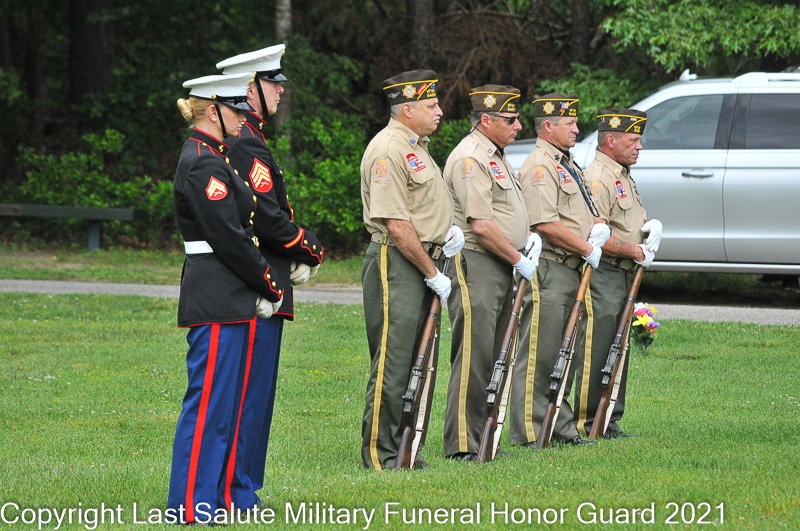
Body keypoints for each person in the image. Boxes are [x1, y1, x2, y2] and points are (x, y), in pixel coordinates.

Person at [168, 73, 284, 523]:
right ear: (213, 112)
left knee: (225, 408)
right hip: (216, 293)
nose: (243, 115)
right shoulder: (202, 163)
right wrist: (269, 283)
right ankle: (190, 506)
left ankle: (211, 499)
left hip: (227, 292)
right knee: (209, 408)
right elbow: (230, 238)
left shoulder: (215, 156)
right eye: (235, 108)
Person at [215, 44, 324, 509]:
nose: (281, 91)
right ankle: (238, 491)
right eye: (273, 84)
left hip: (262, 280)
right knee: (249, 396)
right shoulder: (245, 141)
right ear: (250, 89)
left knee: (254, 395)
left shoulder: (248, 137)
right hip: (256, 283)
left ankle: (241, 487)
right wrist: (310, 247)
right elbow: (265, 215)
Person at [360, 69, 464, 470]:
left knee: (418, 357)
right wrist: (432, 272)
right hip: (398, 261)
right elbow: (397, 224)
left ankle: (405, 447)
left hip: (420, 258)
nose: (440, 111)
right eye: (431, 105)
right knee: (395, 358)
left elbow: (422, 209)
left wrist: (446, 233)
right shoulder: (389, 149)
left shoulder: (414, 146)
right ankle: (380, 452)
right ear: (407, 109)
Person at [441, 85, 539, 461]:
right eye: (510, 120)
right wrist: (518, 258)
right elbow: (480, 225)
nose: (518, 126)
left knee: (495, 353)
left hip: (497, 263)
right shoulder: (471, 157)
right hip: (476, 262)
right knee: (475, 355)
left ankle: (483, 437)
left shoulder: (495, 154)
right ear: (486, 120)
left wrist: (525, 240)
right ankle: (462, 443)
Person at [508, 92, 610, 448]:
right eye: (570, 123)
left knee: (567, 351)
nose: (577, 129)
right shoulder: (540, 166)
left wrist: (598, 229)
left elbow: (582, 212)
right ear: (548, 126)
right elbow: (544, 223)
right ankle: (529, 429)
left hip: (572, 269)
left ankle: (560, 425)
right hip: (551, 268)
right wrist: (587, 247)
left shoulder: (567, 163)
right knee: (540, 351)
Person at [575, 109, 662, 438]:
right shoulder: (599, 178)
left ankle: (609, 417)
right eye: (633, 140)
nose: (640, 147)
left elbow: (626, 221)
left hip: (623, 273)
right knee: (598, 346)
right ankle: (587, 420)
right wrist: (636, 251)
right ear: (610, 140)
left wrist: (648, 228)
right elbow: (596, 234)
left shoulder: (621, 173)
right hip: (605, 273)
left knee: (617, 345)